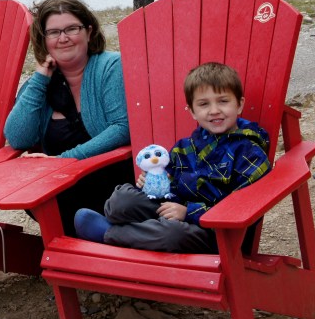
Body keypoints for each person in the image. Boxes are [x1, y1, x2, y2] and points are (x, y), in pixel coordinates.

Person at [73, 62, 271, 253]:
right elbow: (167, 187)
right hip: (174, 211)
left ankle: (109, 233)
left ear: (239, 104)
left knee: (172, 233)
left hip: (214, 234)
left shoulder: (249, 152)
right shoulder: (185, 147)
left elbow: (242, 209)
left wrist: (189, 212)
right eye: (204, 104)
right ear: (192, 111)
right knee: (122, 200)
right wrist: (150, 182)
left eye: (223, 101)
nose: (214, 110)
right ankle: (138, 233)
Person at [3, 0, 132, 236]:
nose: (63, 38)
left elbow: (121, 127)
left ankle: (105, 236)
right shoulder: (40, 84)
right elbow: (18, 138)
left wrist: (63, 160)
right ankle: (97, 237)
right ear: (44, 40)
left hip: (114, 187)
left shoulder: (110, 67)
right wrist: (40, 78)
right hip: (62, 187)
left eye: (72, 28)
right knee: (31, 193)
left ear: (89, 32)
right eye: (53, 32)